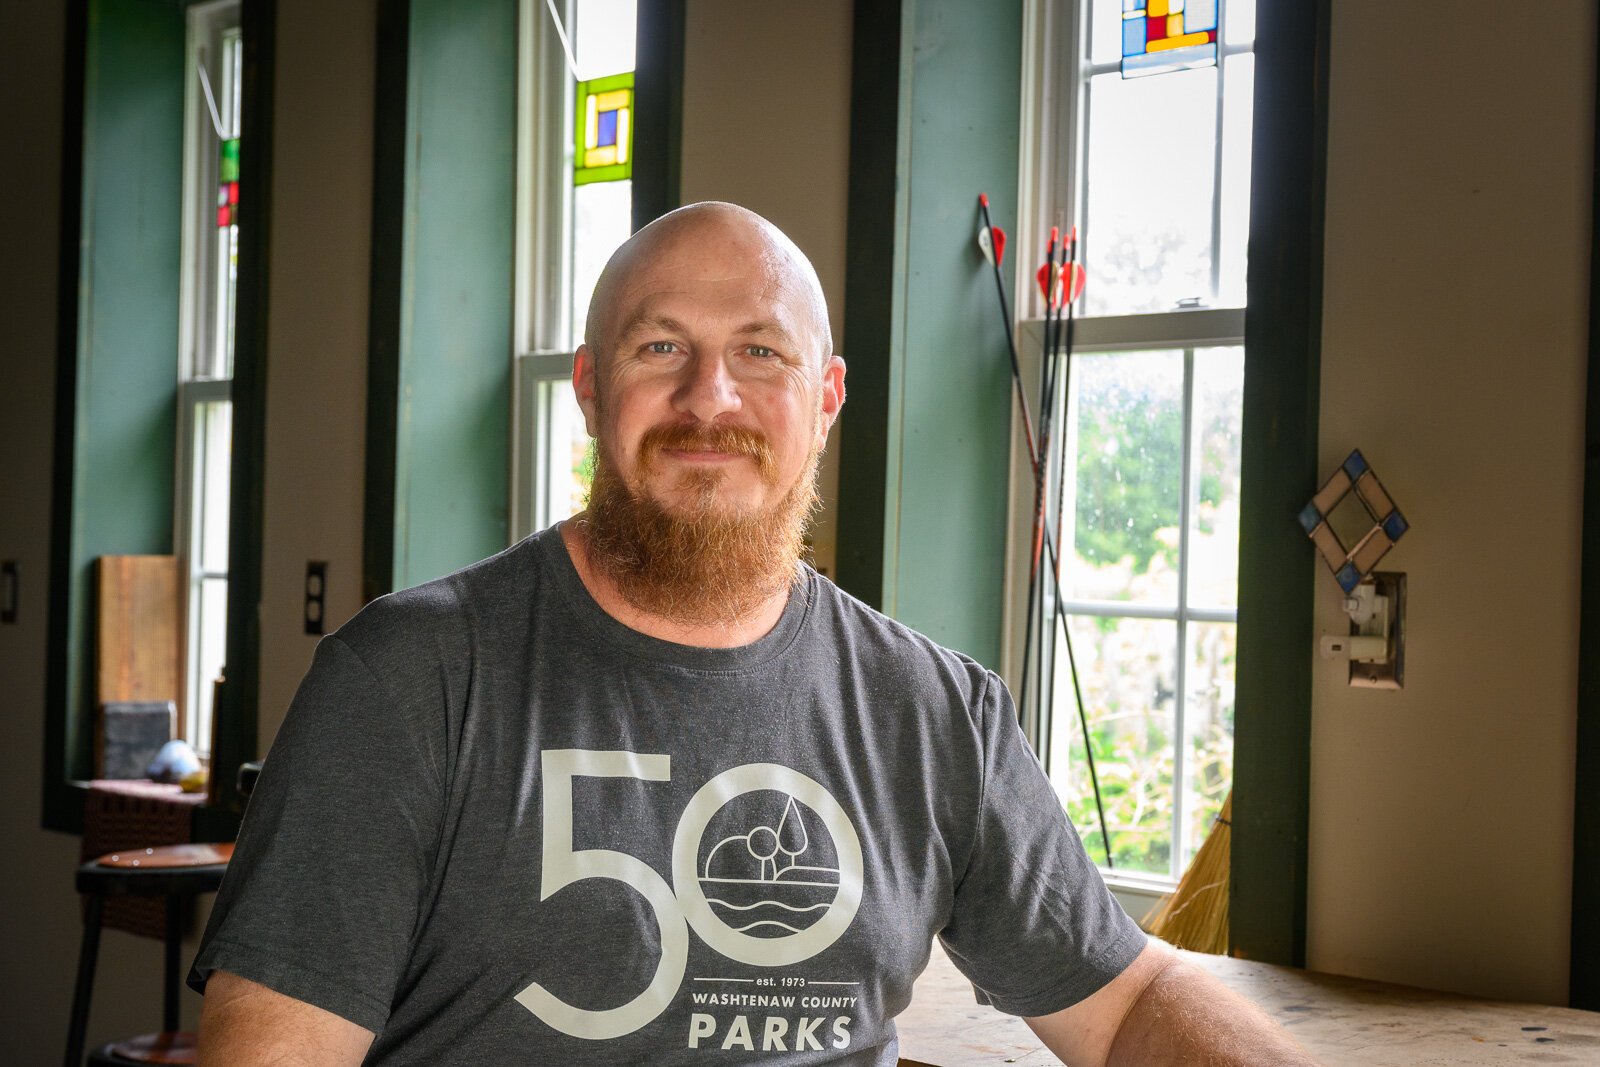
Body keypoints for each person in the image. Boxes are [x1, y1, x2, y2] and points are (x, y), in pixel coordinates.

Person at [192, 202, 1318, 1066]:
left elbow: (1128, 998)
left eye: (761, 353)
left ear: (825, 398)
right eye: (659, 348)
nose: (710, 399)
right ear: (588, 388)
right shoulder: (409, 680)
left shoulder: (934, 712)